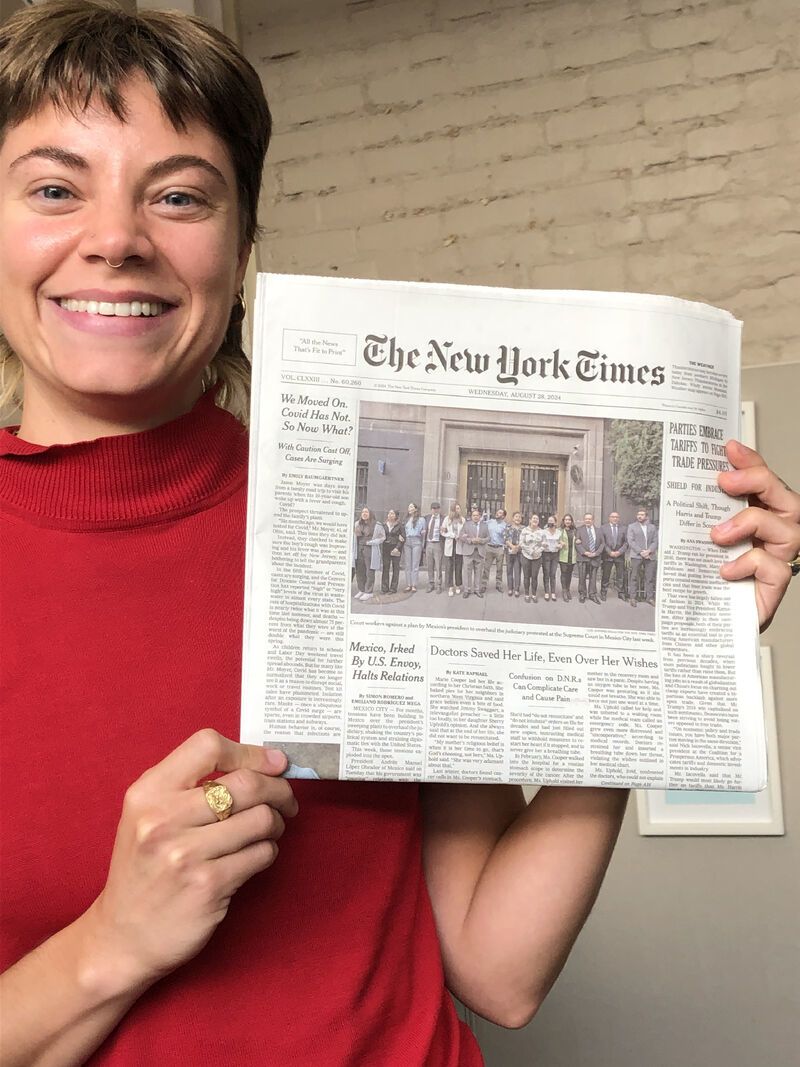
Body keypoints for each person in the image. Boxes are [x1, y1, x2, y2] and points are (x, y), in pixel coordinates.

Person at [2, 6, 799, 1067]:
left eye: (180, 194)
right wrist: (115, 939)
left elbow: (495, 968)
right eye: (55, 187)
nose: (117, 238)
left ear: (241, 246)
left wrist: (649, 655)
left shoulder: (336, 505)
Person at [627, 508, 658, 606]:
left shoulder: (652, 527)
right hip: (636, 556)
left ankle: (650, 598)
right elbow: (631, 541)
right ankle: (633, 598)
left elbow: (655, 541)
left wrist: (649, 551)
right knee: (634, 577)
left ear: (646, 516)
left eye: (642, 514)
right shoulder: (632, 527)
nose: (639, 516)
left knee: (649, 577)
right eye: (638, 514)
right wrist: (641, 551)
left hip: (650, 556)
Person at [354, 507, 384, 601]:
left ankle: (369, 592)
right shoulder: (357, 524)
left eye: (366, 512)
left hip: (370, 549)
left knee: (369, 571)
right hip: (359, 548)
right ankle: (361, 590)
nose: (364, 513)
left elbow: (382, 537)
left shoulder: (377, 525)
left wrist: (372, 542)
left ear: (370, 513)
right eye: (363, 512)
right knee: (359, 571)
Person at [459, 506, 489, 598]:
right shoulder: (466, 524)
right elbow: (461, 536)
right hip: (468, 551)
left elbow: (488, 538)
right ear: (471, 516)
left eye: (477, 515)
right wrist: (470, 540)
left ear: (480, 516)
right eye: (474, 515)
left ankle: (477, 590)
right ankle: (467, 590)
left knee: (478, 572)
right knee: (467, 572)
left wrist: (481, 540)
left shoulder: (484, 526)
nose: (475, 517)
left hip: (479, 552)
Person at [576, 512, 605, 604]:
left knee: (593, 577)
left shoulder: (599, 530)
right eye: (586, 519)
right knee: (582, 577)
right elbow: (577, 543)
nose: (588, 520)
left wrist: (596, 553)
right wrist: (585, 552)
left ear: (593, 520)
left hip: (595, 558)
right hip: (583, 558)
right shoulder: (579, 530)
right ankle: (582, 594)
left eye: (589, 519)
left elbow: (602, 543)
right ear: (584, 520)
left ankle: (592, 594)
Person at [600, 511, 628, 602]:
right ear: (609, 518)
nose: (615, 519)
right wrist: (609, 552)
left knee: (620, 575)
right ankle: (603, 592)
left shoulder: (624, 528)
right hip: (608, 556)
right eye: (613, 517)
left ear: (618, 518)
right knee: (606, 575)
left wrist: (619, 552)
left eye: (616, 517)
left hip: (619, 556)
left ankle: (621, 593)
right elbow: (602, 542)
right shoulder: (603, 528)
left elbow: (626, 542)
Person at [519, 513, 545, 603]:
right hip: (526, 556)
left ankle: (533, 594)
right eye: (533, 518)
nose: (535, 520)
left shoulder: (542, 532)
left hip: (537, 557)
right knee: (526, 576)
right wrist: (530, 551)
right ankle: (527, 594)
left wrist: (537, 551)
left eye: (537, 519)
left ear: (538, 521)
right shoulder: (524, 530)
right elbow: (521, 543)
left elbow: (544, 544)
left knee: (534, 576)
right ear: (530, 520)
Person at [441, 501, 465, 597]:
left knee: (458, 566)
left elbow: (465, 532)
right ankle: (450, 586)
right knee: (449, 567)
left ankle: (458, 585)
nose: (458, 510)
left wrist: (461, 536)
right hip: (450, 544)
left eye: (459, 508)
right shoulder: (447, 519)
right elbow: (442, 532)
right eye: (456, 508)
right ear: (453, 509)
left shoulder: (462, 520)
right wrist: (451, 535)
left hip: (459, 544)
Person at [483, 506, 507, 593]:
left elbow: (507, 537)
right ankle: (483, 584)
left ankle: (499, 584)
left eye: (500, 513)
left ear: (503, 516)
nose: (498, 513)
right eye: (497, 512)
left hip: (499, 548)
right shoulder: (490, 522)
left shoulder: (505, 526)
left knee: (499, 568)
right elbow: (481, 524)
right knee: (486, 567)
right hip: (489, 547)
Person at [403, 501, 426, 592]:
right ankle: (408, 584)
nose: (410, 509)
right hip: (407, 542)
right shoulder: (406, 519)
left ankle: (414, 584)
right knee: (408, 564)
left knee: (415, 564)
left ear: (416, 509)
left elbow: (424, 532)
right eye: (409, 507)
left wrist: (422, 545)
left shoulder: (421, 519)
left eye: (412, 507)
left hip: (417, 541)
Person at [381, 507, 405, 594]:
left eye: (392, 513)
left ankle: (393, 588)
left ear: (396, 516)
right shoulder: (384, 525)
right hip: (386, 548)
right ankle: (384, 588)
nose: (390, 515)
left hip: (396, 548)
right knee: (385, 568)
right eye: (389, 513)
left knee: (395, 568)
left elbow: (403, 538)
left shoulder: (400, 525)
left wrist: (397, 548)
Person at [424, 500, 445, 593]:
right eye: (434, 509)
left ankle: (439, 584)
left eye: (437, 508)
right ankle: (431, 583)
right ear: (431, 510)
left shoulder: (443, 519)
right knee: (429, 565)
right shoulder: (427, 518)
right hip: (429, 543)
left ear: (439, 509)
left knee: (438, 565)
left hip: (437, 543)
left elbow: (448, 529)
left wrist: (445, 529)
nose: (435, 510)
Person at [540, 515, 562, 602]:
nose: (550, 523)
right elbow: (539, 541)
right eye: (549, 521)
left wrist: (560, 545)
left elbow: (561, 542)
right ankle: (546, 592)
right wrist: (543, 544)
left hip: (555, 555)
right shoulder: (543, 532)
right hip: (546, 554)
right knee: (546, 572)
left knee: (553, 573)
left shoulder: (559, 532)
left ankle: (553, 592)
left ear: (555, 522)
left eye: (552, 521)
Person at [558, 513, 578, 602]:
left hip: (572, 555)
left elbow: (578, 539)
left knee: (569, 573)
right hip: (563, 555)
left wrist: (578, 540)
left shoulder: (575, 530)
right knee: (564, 573)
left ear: (571, 521)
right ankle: (564, 590)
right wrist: (560, 543)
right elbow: (555, 540)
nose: (568, 521)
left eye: (569, 520)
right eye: (566, 520)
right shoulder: (560, 530)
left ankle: (568, 589)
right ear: (563, 521)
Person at [504, 511, 524, 597]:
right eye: (516, 516)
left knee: (517, 570)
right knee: (509, 569)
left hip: (519, 552)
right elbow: (505, 538)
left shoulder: (523, 528)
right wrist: (512, 546)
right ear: (513, 518)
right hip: (509, 551)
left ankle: (517, 589)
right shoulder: (508, 527)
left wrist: (517, 547)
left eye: (519, 517)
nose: (518, 518)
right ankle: (510, 588)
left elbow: (524, 540)